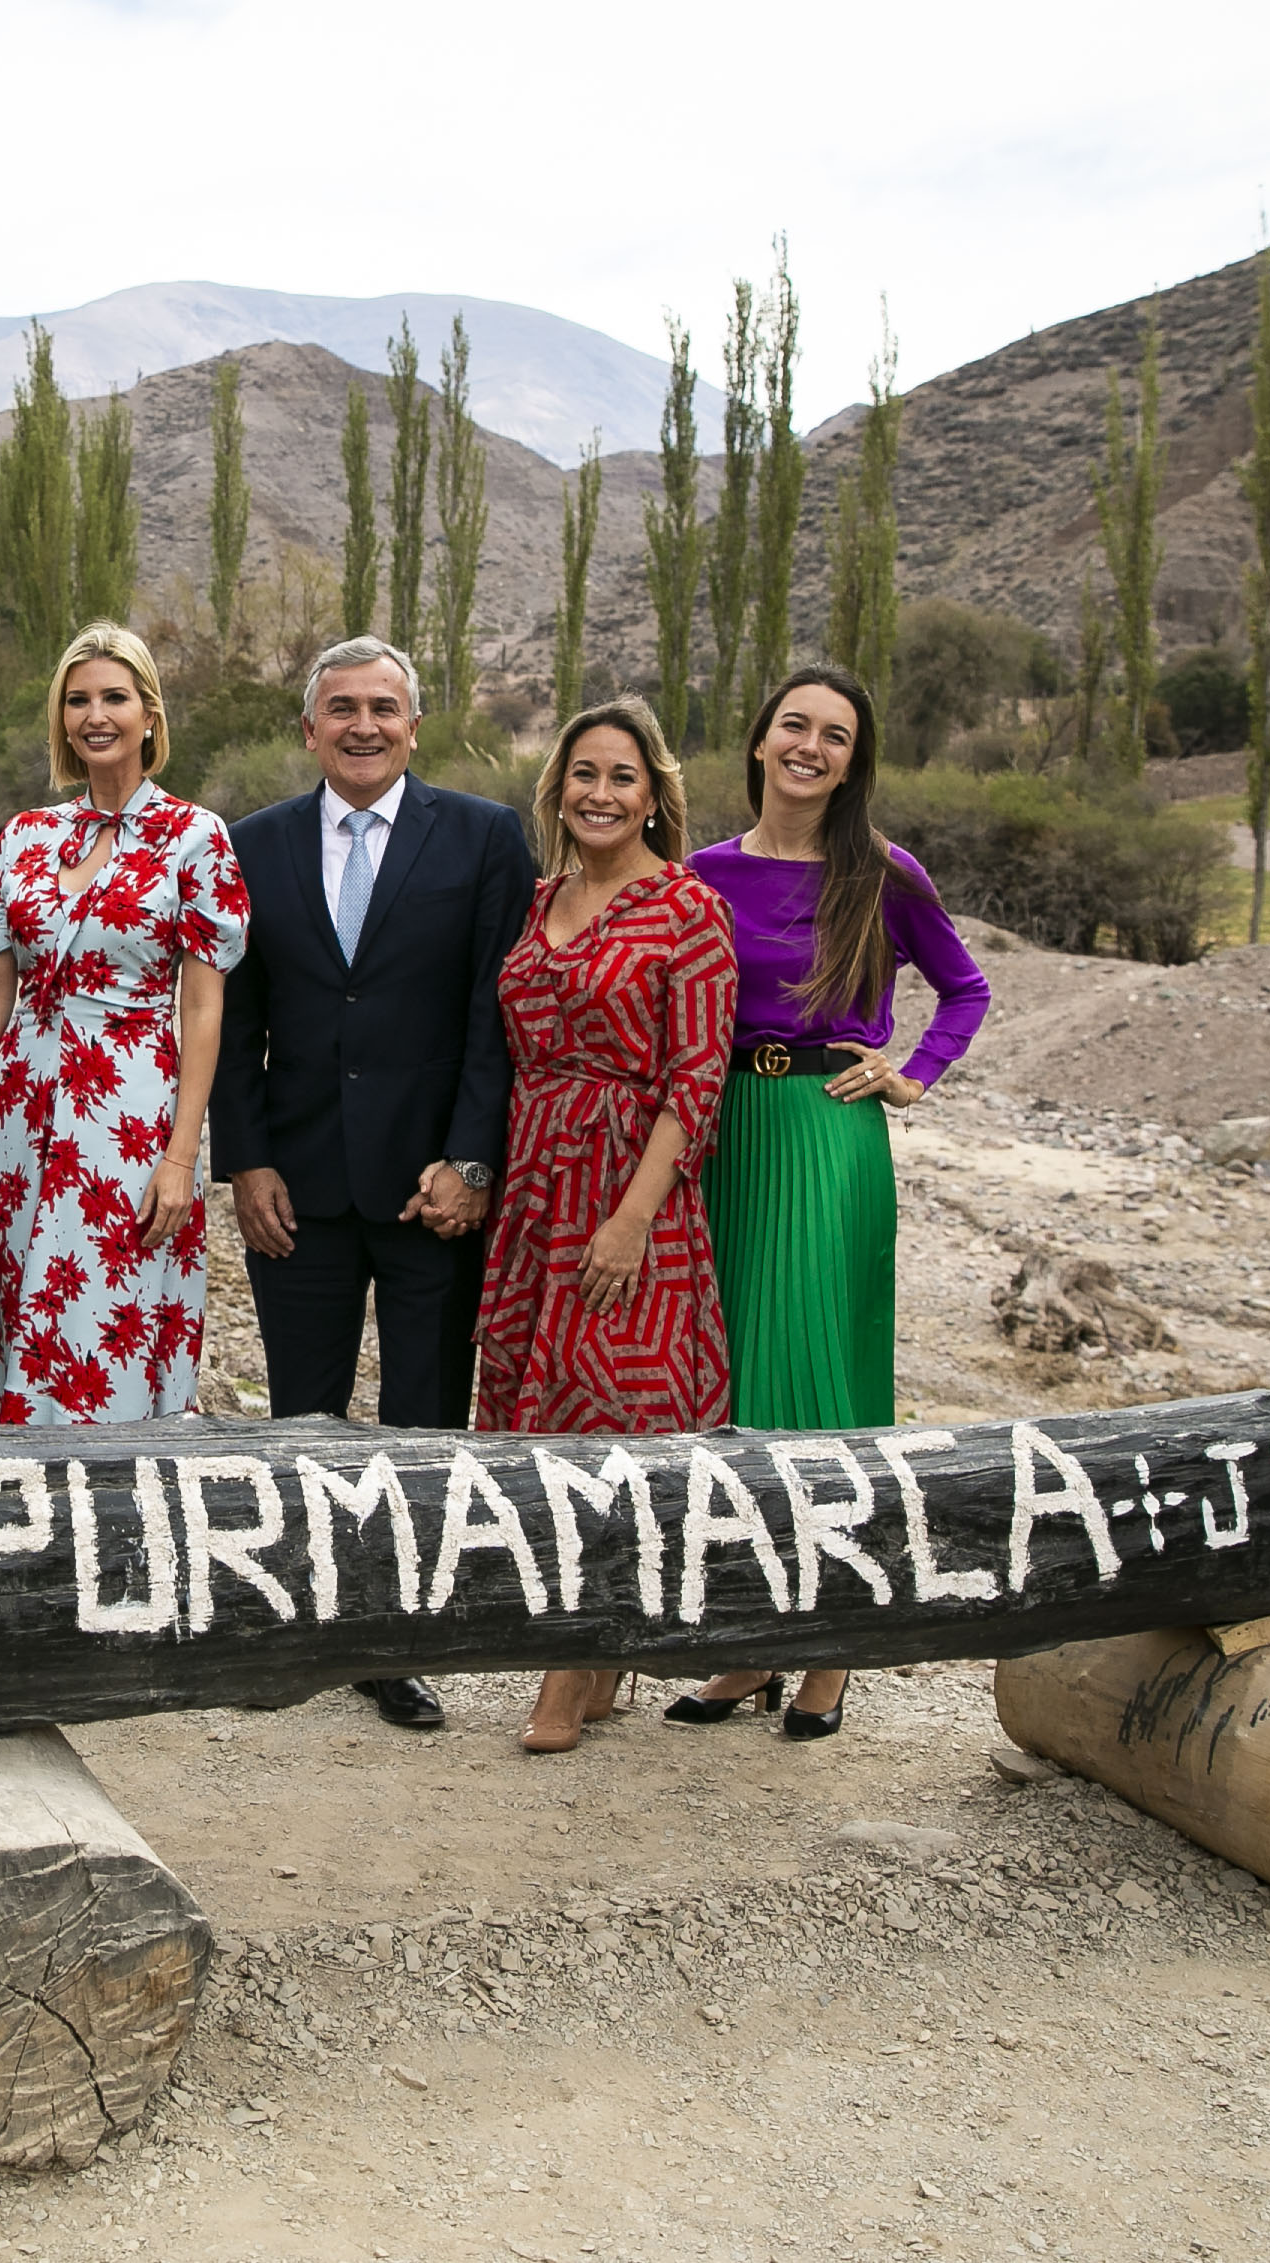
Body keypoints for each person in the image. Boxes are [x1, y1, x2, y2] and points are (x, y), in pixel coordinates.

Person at [212, 636, 529, 1730]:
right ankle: (295, 1625)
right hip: (293, 1184)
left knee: (421, 1416)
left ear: (413, 723)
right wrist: (244, 1159)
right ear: (308, 729)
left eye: (382, 707)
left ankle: (397, 1638)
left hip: (430, 1189)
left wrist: (472, 1160)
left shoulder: (484, 838)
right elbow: (230, 1020)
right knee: (300, 1414)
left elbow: (495, 1018)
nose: (361, 724)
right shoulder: (250, 845)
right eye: (339, 707)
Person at [671, 665, 990, 1742]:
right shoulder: (701, 872)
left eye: (836, 736)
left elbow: (967, 988)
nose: (810, 746)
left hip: (823, 1131)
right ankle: (748, 1643)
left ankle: (832, 1641)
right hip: (722, 1134)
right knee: (734, 1385)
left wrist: (914, 1073)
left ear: (853, 762)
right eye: (794, 726)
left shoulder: (884, 873)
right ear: (759, 741)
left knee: (821, 1385)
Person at [472, 700, 738, 1754]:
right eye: (582, 773)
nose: (598, 793)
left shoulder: (687, 908)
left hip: (629, 1188)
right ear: (558, 790)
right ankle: (586, 1643)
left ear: (653, 795)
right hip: (536, 1186)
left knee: (609, 1422)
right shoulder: (539, 900)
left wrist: (632, 1217)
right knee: (534, 1417)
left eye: (620, 776)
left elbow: (696, 1076)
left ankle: (573, 1660)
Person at [0, 623, 248, 1426]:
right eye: (77, 700)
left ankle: (110, 1522)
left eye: (114, 697)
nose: (95, 715)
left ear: (149, 713)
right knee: (16, 1301)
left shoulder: (196, 837)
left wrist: (184, 1154)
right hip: (16, 1111)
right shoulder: (25, 834)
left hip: (127, 1118)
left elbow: (205, 1005)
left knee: (104, 1316)